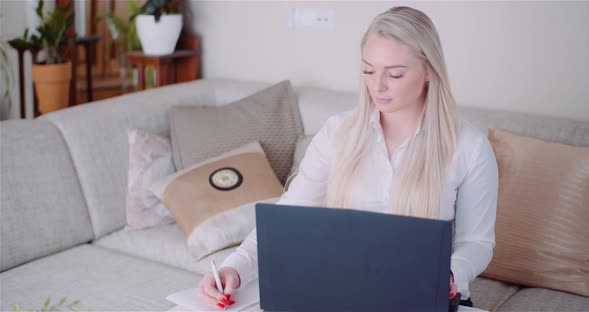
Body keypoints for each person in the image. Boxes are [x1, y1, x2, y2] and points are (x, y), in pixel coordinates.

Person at [199, 6, 498, 309]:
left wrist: (449, 273)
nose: (377, 85)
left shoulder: (470, 147)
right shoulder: (337, 134)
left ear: (430, 71)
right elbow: (286, 220)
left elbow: (477, 243)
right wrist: (234, 268)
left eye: (394, 73)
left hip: (425, 297)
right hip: (345, 294)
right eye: (369, 70)